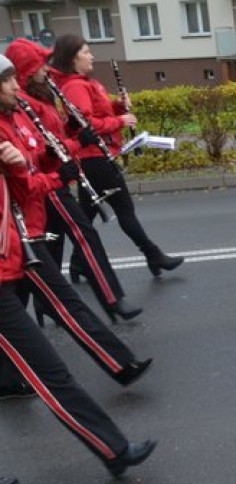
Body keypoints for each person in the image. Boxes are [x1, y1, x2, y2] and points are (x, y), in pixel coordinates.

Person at [0, 54, 152, 390]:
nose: (16, 86)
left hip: (29, 227)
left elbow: (38, 150)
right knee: (67, 300)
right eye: (9, 81)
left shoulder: (18, 111)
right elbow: (22, 183)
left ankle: (9, 378)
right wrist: (58, 173)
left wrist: (59, 151)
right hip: (20, 232)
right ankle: (120, 361)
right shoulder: (13, 115)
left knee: (27, 308)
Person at [1, 162, 157, 478]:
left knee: (51, 372)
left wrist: (15, 167)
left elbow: (22, 196)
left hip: (10, 272)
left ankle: (113, 450)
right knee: (51, 373)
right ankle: (114, 449)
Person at [5, 38, 141, 323]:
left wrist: (72, 130)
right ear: (27, 70)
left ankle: (39, 309)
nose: (47, 69)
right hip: (48, 181)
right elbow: (41, 147)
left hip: (56, 174)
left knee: (48, 246)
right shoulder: (23, 103)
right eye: (40, 64)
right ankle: (112, 298)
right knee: (83, 234)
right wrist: (78, 142)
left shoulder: (41, 94)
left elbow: (55, 135)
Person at [48, 35, 184, 277]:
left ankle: (78, 263)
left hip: (97, 156)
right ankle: (153, 256)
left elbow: (100, 112)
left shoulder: (85, 83)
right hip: (94, 158)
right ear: (73, 58)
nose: (92, 56)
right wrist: (119, 120)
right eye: (87, 52)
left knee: (87, 216)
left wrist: (118, 107)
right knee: (125, 209)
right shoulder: (75, 86)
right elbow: (84, 125)